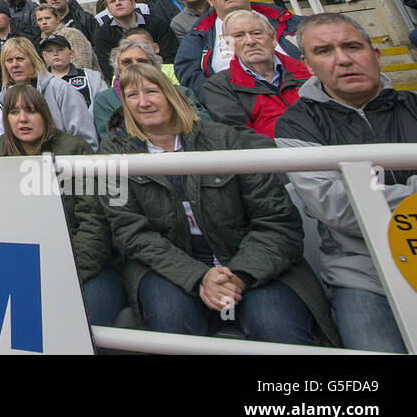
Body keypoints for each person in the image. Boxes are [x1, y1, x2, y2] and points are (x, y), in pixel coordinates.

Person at [101, 63, 336, 345]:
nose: (144, 102)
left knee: (278, 329)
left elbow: (276, 219)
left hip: (250, 262)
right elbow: (131, 232)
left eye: (152, 91)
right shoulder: (113, 155)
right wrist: (199, 276)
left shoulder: (224, 139)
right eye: (132, 95)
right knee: (171, 330)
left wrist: (239, 275)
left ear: (170, 94)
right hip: (170, 268)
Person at [274, 13, 417, 353]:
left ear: (376, 54)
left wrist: (377, 196)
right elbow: (335, 207)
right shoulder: (295, 125)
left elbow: (355, 200)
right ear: (308, 64)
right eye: (325, 51)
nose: (343, 59)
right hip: (362, 275)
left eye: (352, 46)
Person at [0, 84, 124, 327]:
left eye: (31, 111)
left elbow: (94, 225)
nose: (23, 120)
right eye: (14, 112)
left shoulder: (75, 150)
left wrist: (62, 274)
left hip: (84, 267)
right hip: (23, 263)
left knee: (83, 317)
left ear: (45, 114)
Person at [175, 0, 301, 101]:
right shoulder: (198, 36)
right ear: (210, 0)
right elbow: (190, 74)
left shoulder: (289, 21)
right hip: (241, 107)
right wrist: (223, 103)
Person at [200, 10, 313, 138]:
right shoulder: (218, 87)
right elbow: (241, 137)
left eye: (257, 33)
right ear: (229, 46)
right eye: (239, 36)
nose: (250, 41)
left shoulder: (309, 71)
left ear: (273, 39)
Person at [0, 37, 97, 149]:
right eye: (9, 60)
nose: (14, 65)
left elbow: (86, 141)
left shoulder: (61, 89)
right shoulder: (2, 98)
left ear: (33, 60)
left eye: (20, 59)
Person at [91, 0, 178, 80]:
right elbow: (109, 69)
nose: (118, 3)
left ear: (133, 3)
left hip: (162, 77)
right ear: (108, 9)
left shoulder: (158, 24)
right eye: (112, 1)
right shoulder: (102, 34)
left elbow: (170, 57)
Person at [40, 34, 107, 109]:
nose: (55, 53)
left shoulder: (90, 77)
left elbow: (104, 103)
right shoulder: (40, 82)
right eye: (50, 51)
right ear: (44, 56)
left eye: (60, 49)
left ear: (71, 54)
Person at [33, 5, 96, 71]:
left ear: (57, 19)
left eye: (48, 18)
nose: (44, 22)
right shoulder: (42, 41)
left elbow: (82, 63)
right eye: (40, 20)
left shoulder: (72, 34)